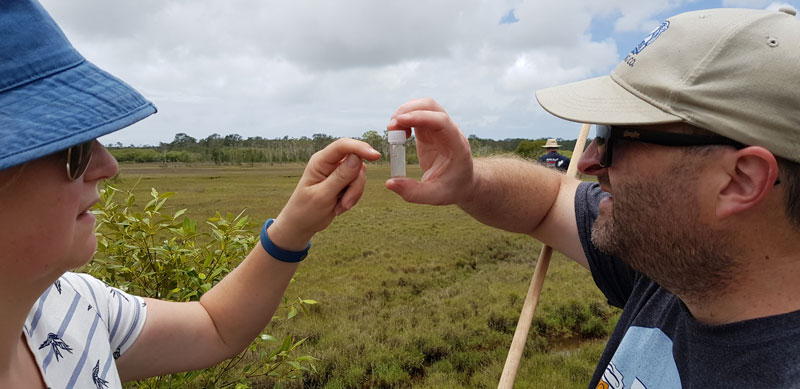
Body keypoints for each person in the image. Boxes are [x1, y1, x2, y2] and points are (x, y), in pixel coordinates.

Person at [386, 7, 800, 388]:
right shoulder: (678, 267)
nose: (586, 162)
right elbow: (548, 200)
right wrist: (470, 180)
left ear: (739, 180)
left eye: (614, 138)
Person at [0, 1, 381, 387]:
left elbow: (216, 326)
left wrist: (294, 227)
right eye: (74, 149)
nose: (108, 166)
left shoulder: (75, 305)